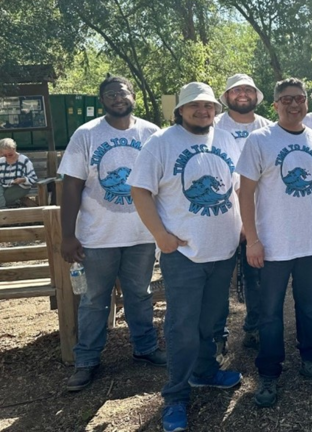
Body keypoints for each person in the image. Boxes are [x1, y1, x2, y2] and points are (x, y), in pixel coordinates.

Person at [129, 82, 243, 432]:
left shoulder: (225, 139)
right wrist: (160, 235)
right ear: (180, 110)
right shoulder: (161, 143)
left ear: (216, 110)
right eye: (194, 106)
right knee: (182, 327)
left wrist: (242, 231)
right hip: (184, 253)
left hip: (223, 251)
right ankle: (175, 395)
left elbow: (236, 188)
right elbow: (139, 190)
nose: (202, 111)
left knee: (210, 322)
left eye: (208, 106)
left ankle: (204, 373)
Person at [237, 78, 312, 408]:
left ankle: (311, 360)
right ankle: (268, 372)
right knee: (269, 313)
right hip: (271, 246)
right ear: (276, 105)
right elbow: (246, 192)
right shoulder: (260, 140)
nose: (293, 105)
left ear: (305, 103)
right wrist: (252, 239)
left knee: (310, 307)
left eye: (298, 99)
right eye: (286, 100)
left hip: (310, 244)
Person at [58, 75, 165, 392]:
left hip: (142, 235)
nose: (117, 98)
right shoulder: (86, 134)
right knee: (93, 300)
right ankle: (86, 361)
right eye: (109, 94)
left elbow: (165, 183)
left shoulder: (152, 133)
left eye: (122, 92)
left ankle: (145, 348)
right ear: (102, 100)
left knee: (141, 294)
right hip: (97, 237)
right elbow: (71, 185)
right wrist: (67, 235)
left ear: (133, 95)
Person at [212, 74, 273, 356]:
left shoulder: (268, 128)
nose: (243, 94)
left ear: (256, 95)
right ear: (226, 96)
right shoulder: (213, 126)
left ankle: (255, 327)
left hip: (258, 213)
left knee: (255, 276)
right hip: (219, 214)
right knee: (218, 279)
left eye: (248, 89)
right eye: (237, 90)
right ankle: (216, 333)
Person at [0, 138, 37, 208]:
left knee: (5, 198)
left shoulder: (24, 160)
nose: (7, 157)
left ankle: (5, 211)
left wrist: (23, 180)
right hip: (4, 187)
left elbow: (33, 179)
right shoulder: (1, 161)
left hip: (20, 187)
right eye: (4, 155)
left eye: (10, 155)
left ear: (14, 149)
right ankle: (11, 208)